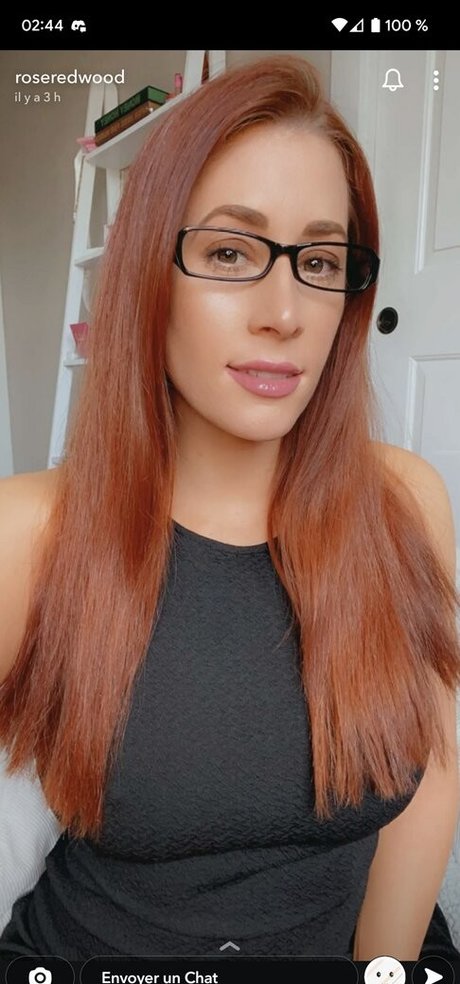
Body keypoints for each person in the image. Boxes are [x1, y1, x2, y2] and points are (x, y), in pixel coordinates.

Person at [0, 53, 459, 962]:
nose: (285, 313)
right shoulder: (29, 534)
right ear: (149, 273)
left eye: (319, 261)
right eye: (228, 253)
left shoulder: (404, 502)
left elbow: (432, 771)